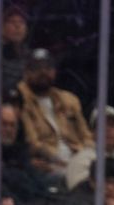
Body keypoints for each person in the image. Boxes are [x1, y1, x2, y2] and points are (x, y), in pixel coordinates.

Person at [16, 49, 93, 180]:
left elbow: (86, 136)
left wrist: (89, 154)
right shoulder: (21, 100)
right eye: (37, 67)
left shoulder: (69, 99)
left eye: (48, 67)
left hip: (78, 158)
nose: (43, 72)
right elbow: (32, 143)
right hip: (50, 163)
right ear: (26, 72)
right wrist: (57, 159)